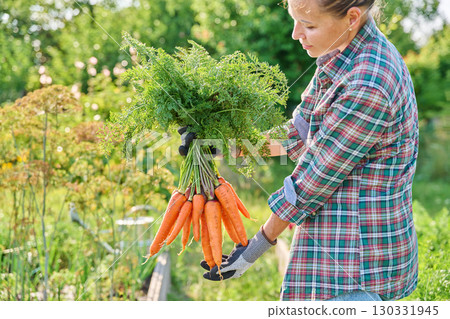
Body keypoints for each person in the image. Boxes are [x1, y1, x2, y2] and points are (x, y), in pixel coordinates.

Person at [182, 0, 419, 301]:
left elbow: (310, 184)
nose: (296, 34)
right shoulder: (342, 54)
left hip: (356, 267)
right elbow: (298, 133)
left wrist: (253, 249)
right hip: (337, 247)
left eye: (308, 25)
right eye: (295, 21)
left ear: (352, 17)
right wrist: (222, 145)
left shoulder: (368, 83)